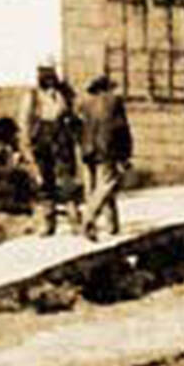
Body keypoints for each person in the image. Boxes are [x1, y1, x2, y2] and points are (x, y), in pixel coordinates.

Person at [18, 59, 82, 236]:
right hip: (42, 140)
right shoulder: (32, 95)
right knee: (45, 182)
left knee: (67, 179)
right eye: (44, 73)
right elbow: (24, 121)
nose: (49, 78)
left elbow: (75, 114)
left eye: (51, 73)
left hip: (62, 139)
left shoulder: (65, 93)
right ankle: (48, 222)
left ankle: (75, 220)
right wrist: (26, 145)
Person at [76, 74, 133, 241]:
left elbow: (78, 127)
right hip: (107, 149)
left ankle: (112, 225)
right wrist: (126, 154)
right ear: (107, 88)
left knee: (96, 187)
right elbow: (121, 129)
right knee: (107, 185)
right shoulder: (114, 102)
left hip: (88, 150)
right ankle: (89, 217)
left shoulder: (85, 104)